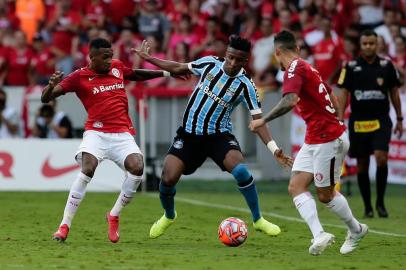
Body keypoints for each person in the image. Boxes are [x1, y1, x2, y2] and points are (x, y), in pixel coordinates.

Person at [133, 35, 293, 239]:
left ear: (246, 61)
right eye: (230, 57)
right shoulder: (209, 63)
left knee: (241, 171)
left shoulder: (246, 85)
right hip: (189, 136)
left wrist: (274, 150)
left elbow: (258, 121)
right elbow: (179, 68)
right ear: (226, 54)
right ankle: (169, 215)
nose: (233, 63)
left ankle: (258, 219)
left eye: (239, 60)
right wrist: (149, 58)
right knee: (168, 177)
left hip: (218, 137)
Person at [42, 38, 172, 243]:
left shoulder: (117, 67)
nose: (110, 60)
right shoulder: (78, 77)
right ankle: (64, 226)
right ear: (91, 57)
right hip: (96, 133)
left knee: (137, 168)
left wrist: (167, 72)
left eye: (111, 55)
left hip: (122, 134)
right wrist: (50, 87)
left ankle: (114, 215)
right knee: (88, 168)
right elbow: (45, 99)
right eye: (105, 57)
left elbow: (136, 74)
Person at [249, 30, 368, 255]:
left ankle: (356, 229)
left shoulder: (294, 68)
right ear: (298, 49)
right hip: (316, 137)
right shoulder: (308, 67)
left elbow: (290, 100)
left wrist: (262, 120)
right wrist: (336, 119)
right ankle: (319, 235)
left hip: (327, 139)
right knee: (296, 186)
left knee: (325, 195)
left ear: (277, 53)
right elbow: (331, 95)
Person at [337, 29, 403, 218]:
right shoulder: (350, 67)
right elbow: (343, 93)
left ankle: (380, 202)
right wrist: (340, 118)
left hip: (381, 120)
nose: (368, 46)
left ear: (378, 44)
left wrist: (399, 118)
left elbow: (395, 93)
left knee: (381, 158)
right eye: (365, 43)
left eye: (371, 43)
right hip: (358, 122)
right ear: (361, 45)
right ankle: (367, 206)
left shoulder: (387, 66)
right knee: (362, 165)